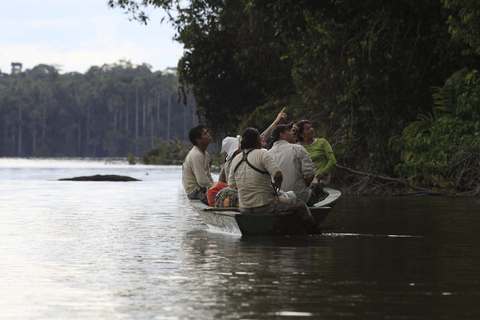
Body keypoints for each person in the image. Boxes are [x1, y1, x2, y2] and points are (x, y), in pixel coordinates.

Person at [228, 127, 321, 235]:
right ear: (257, 140)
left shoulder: (235, 159)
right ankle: (315, 234)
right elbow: (278, 175)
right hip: (267, 205)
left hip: (244, 208)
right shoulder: (262, 154)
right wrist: (277, 185)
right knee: (300, 205)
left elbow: (232, 185)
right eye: (260, 137)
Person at [268, 122, 320, 206]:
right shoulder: (298, 149)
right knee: (317, 186)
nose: (292, 133)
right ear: (282, 135)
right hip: (300, 198)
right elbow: (310, 174)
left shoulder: (267, 154)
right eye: (289, 131)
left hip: (279, 200)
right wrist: (306, 186)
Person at [296, 120, 337, 188]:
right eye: (308, 129)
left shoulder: (322, 142)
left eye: (311, 127)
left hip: (321, 178)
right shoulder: (297, 146)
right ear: (302, 134)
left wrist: (323, 172)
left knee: (314, 185)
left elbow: (332, 160)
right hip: (305, 179)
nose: (312, 129)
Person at [182, 124, 214, 203]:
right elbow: (202, 181)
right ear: (198, 140)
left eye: (207, 133)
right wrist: (215, 190)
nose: (208, 135)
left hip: (202, 189)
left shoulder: (205, 154)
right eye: (205, 134)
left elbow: (208, 175)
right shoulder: (197, 156)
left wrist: (214, 187)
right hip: (195, 193)